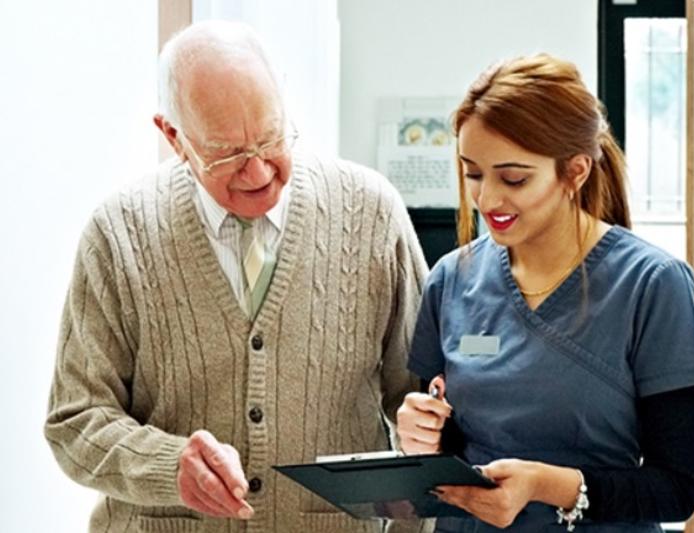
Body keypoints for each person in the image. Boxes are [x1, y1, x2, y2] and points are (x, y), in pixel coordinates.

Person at [44, 20, 430, 533]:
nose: (258, 173)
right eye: (227, 154)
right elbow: (75, 422)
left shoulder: (372, 212)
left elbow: (421, 399)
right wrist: (167, 466)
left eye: (271, 139)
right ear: (173, 137)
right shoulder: (119, 235)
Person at [396, 54, 694, 532]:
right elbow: (448, 453)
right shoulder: (451, 279)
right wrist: (420, 435)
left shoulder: (654, 285)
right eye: (474, 173)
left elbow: (675, 491)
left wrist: (546, 485)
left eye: (514, 178)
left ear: (575, 172)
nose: (487, 200)